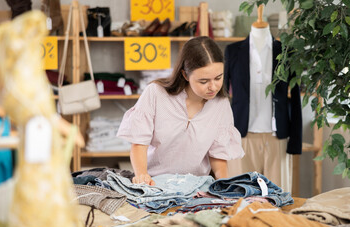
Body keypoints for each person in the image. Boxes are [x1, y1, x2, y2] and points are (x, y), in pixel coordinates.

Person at [117, 36, 244, 185]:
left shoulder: (221, 104)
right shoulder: (155, 94)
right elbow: (139, 143)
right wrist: (142, 175)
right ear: (185, 75)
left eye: (218, 78)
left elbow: (218, 155)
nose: (213, 87)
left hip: (196, 188)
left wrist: (225, 185)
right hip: (156, 184)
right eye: (204, 81)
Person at [223, 5, 302, 192]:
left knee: (277, 198)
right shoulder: (233, 51)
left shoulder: (286, 52)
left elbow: (296, 97)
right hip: (241, 136)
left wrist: (295, 140)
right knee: (241, 197)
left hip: (278, 137)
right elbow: (223, 96)